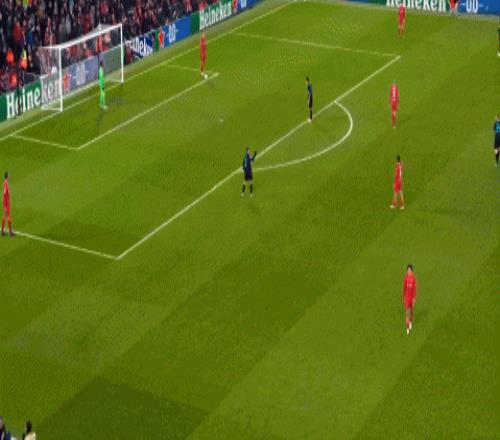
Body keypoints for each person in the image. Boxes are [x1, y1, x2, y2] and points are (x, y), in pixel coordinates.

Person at [403, 264, 417, 334]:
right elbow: (404, 287)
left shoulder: (414, 278)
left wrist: (414, 298)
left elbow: (414, 289)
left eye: (410, 270)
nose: (408, 271)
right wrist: (403, 297)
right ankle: (407, 328)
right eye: (408, 270)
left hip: (412, 298)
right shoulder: (405, 277)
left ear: (412, 271)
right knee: (407, 312)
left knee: (411, 311)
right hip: (407, 298)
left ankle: (410, 322)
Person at [2, 172, 14, 236]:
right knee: (8, 215)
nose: (9, 176)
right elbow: (4, 191)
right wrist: (7, 195)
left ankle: (2, 231)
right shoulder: (6, 183)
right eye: (9, 175)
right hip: (6, 201)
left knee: (5, 215)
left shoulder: (5, 182)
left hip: (5, 201)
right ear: (7, 176)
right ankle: (10, 232)